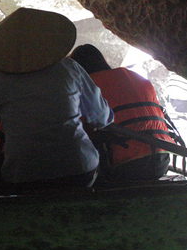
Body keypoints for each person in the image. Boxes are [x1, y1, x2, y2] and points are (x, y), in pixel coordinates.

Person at [0, 8, 114, 192]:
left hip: (22, 175)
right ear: (46, 39)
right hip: (78, 169)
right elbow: (100, 116)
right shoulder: (69, 68)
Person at [69, 44, 177, 182]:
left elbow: (77, 127)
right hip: (162, 157)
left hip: (124, 164)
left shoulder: (89, 84)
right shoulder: (136, 77)